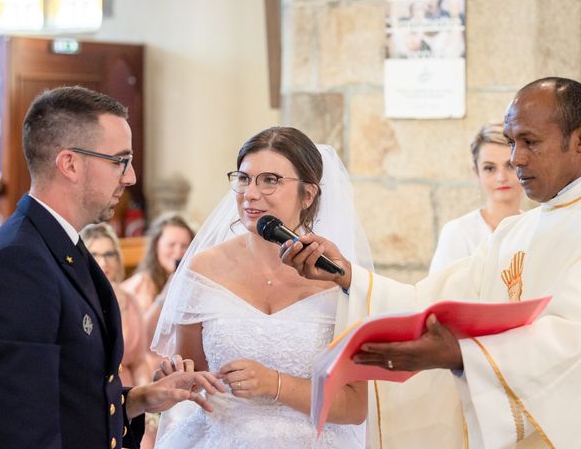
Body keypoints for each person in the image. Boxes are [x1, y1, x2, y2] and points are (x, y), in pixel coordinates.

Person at [280, 76, 581, 447]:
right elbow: (433, 301)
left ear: (578, 141)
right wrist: (345, 275)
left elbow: (571, 342)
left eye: (530, 142)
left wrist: (461, 354)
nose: (516, 158)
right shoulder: (514, 232)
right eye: (511, 141)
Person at [0, 86, 225, 448]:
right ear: (70, 164)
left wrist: (140, 399)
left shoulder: (59, 245)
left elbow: (68, 395)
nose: (129, 177)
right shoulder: (16, 264)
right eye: (120, 160)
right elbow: (22, 430)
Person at [151, 127, 374, 448]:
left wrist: (276, 384)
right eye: (244, 179)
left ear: (308, 194)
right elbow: (192, 372)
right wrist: (175, 378)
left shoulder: (339, 277)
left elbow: (356, 406)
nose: (251, 194)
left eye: (270, 180)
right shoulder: (203, 268)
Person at [429, 122, 523, 273]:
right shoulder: (458, 233)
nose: (501, 177)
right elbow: (440, 293)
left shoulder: (536, 229)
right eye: (489, 168)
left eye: (510, 165)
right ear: (476, 173)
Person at [81, 223, 152, 387]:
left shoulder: (131, 300)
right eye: (95, 254)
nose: (103, 262)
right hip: (91, 390)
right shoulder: (76, 300)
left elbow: (139, 362)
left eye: (109, 254)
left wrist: (145, 398)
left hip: (127, 393)